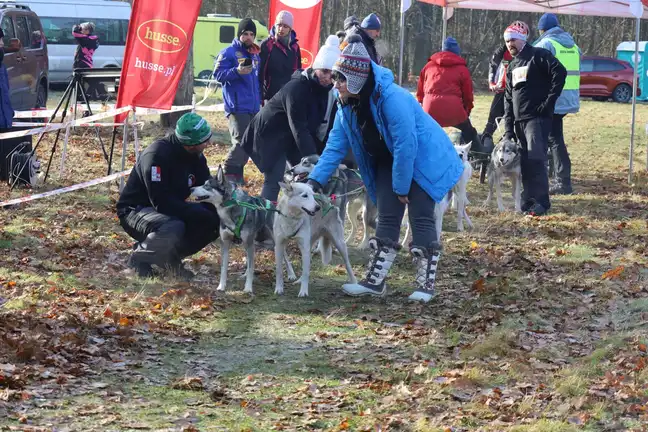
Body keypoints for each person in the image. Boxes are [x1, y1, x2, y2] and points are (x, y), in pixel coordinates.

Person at [307, 35, 464, 303]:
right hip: (386, 160)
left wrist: (402, 187)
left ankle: (426, 284)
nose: (336, 85)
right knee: (387, 216)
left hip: (423, 159)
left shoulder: (393, 98)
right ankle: (375, 281)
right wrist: (313, 182)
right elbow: (334, 147)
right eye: (334, 78)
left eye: (340, 79)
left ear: (356, 79)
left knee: (421, 215)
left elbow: (407, 145)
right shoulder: (346, 105)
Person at [116, 113, 220, 279]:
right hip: (136, 209)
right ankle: (140, 259)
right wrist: (196, 211)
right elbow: (161, 202)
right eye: (204, 141)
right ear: (190, 144)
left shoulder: (196, 157)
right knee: (173, 226)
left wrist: (220, 211)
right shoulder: (157, 156)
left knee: (214, 221)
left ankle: (167, 259)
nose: (209, 143)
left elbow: (205, 188)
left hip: (169, 206)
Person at [240, 36, 340, 204]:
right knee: (275, 179)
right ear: (315, 68)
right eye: (324, 71)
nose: (328, 77)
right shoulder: (296, 88)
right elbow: (299, 126)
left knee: (304, 176)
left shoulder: (327, 92)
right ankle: (266, 218)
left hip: (290, 137)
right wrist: (313, 157)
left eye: (333, 74)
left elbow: (319, 127)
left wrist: (323, 156)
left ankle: (299, 216)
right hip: (268, 134)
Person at [503, 21, 566, 217]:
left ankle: (541, 202)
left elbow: (560, 72)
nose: (509, 44)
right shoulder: (512, 65)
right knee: (526, 162)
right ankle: (528, 199)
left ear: (522, 39)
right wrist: (508, 129)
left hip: (536, 119)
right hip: (519, 121)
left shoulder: (538, 55)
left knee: (537, 159)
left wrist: (548, 103)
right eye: (506, 41)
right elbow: (507, 98)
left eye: (512, 40)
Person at [533, 13, 580, 195]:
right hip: (568, 99)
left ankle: (562, 181)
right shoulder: (573, 45)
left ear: (542, 30)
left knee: (552, 139)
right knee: (555, 137)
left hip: (552, 99)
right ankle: (558, 176)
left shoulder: (546, 44)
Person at [216, 18, 261, 185]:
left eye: (251, 34)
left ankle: (237, 177)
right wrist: (236, 71)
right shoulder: (228, 52)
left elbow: (256, 80)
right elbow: (218, 75)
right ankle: (228, 171)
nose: (249, 37)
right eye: (245, 34)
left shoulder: (255, 54)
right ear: (239, 35)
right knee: (241, 142)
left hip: (253, 107)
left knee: (249, 144)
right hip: (237, 106)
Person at [417, 37, 481, 151]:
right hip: (454, 111)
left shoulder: (428, 66)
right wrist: (467, 111)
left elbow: (420, 92)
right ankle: (478, 154)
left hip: (430, 109)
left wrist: (423, 105)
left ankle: (423, 152)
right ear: (457, 52)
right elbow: (468, 96)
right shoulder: (462, 69)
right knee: (468, 130)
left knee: (426, 132)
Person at [259, 11, 302, 103]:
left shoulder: (295, 47)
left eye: (285, 26)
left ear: (290, 29)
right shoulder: (267, 44)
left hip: (289, 95)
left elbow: (298, 72)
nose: (281, 29)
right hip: (270, 96)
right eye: (279, 25)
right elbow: (260, 73)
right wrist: (261, 97)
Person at [481, 44, 514, 151]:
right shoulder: (501, 51)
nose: (511, 43)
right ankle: (486, 141)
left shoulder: (527, 50)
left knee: (515, 120)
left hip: (518, 91)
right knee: (493, 119)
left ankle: (507, 141)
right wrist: (491, 82)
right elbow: (493, 65)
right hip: (502, 89)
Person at [0, 28, 14, 131]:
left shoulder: (2, 67)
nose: (2, 43)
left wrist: (9, 114)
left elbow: (5, 95)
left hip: (4, 124)